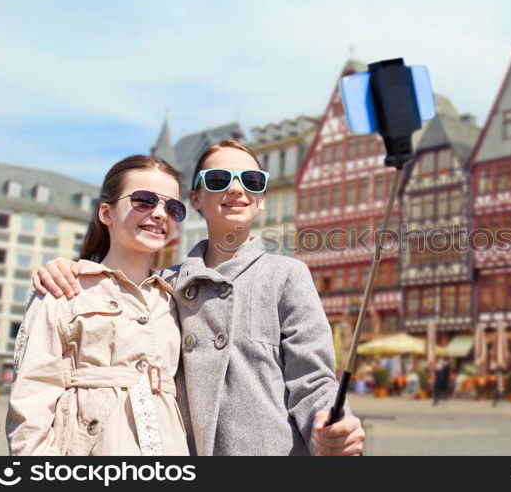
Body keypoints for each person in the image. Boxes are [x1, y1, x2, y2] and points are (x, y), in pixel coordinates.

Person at [33, 140, 364, 456]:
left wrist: (329, 424)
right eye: (219, 180)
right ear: (195, 199)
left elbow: (312, 377)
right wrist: (70, 270)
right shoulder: (161, 286)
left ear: (261, 198)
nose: (236, 188)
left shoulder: (287, 275)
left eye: (250, 180)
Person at [7, 155, 190, 455]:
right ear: (106, 212)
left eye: (173, 207)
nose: (160, 214)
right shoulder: (63, 289)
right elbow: (32, 401)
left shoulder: (175, 299)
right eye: (144, 200)